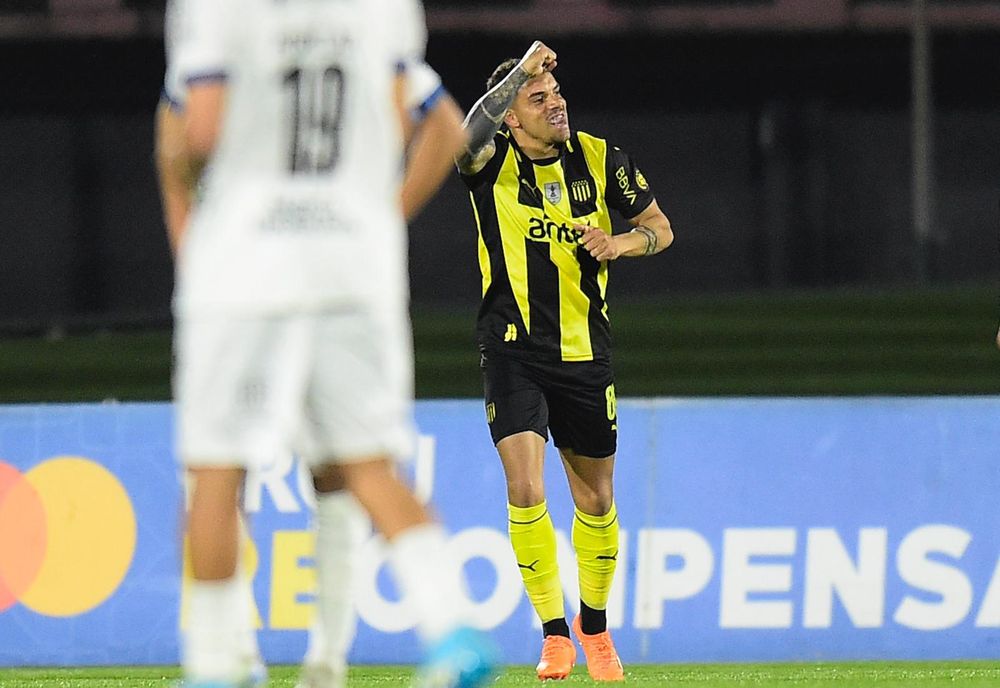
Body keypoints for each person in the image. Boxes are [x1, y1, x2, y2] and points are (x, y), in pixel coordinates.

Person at [157, 1, 496, 687]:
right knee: (368, 466)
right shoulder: (383, 8)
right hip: (353, 265)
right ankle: (453, 628)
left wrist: (200, 208)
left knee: (215, 472)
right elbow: (429, 121)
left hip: (245, 269)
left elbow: (198, 130)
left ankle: (219, 665)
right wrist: (375, 211)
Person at [455, 41, 674, 682]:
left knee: (597, 500)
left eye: (556, 93)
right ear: (511, 116)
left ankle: (595, 631)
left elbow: (660, 226)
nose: (556, 104)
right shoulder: (489, 159)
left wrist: (622, 242)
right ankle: (554, 637)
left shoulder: (602, 159)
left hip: (585, 350)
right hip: (512, 344)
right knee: (524, 488)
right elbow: (461, 134)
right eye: (538, 97)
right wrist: (519, 69)